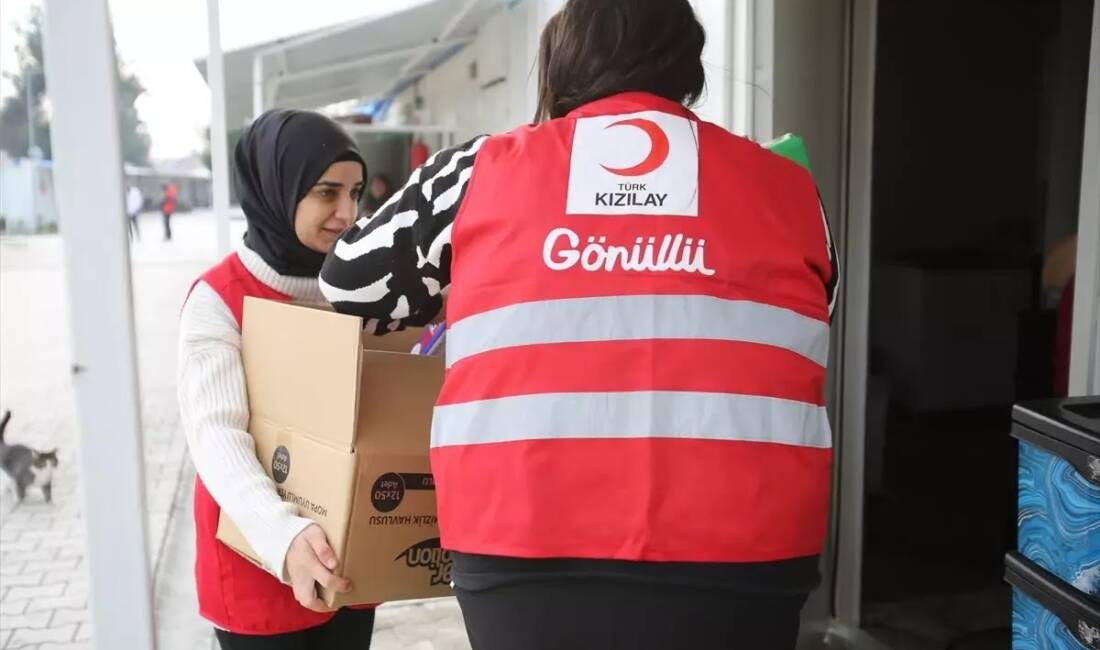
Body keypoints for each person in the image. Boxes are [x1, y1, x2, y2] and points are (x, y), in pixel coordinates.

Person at [320, 1, 839, 647]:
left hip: (523, 538)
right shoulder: (790, 187)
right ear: (686, 64)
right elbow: (818, 311)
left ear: (561, 59)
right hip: (749, 545)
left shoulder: (478, 171)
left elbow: (348, 284)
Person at [178, 109, 374, 650]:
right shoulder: (219, 299)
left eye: (356, 193)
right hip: (255, 555)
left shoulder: (356, 290)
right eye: (326, 193)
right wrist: (283, 534)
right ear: (276, 189)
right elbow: (215, 436)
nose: (347, 213)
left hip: (344, 560)